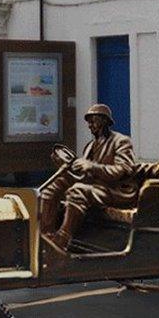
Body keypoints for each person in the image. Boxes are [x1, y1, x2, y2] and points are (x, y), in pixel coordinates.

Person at [40, 104, 137, 250]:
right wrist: (67, 166)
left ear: (104, 121)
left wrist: (92, 167)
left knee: (77, 191)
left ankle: (63, 239)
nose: (90, 126)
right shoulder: (90, 146)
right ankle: (46, 234)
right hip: (97, 187)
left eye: (93, 121)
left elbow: (123, 170)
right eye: (89, 122)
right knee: (53, 186)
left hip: (116, 190)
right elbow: (83, 174)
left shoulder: (121, 141)